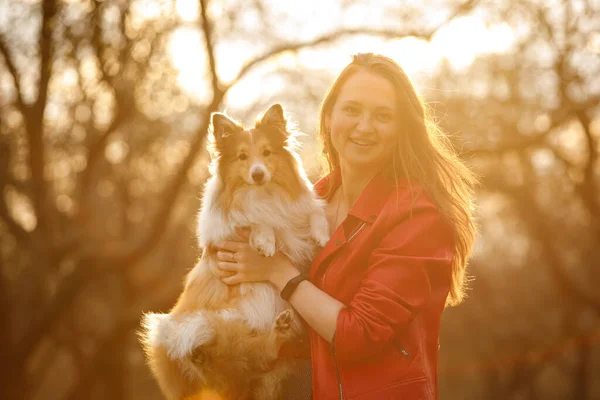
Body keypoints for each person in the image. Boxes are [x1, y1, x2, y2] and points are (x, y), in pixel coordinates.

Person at [214, 53, 477, 400]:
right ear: (328, 117)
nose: (364, 127)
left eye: (382, 116)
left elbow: (360, 335)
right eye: (352, 110)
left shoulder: (417, 217)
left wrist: (278, 272)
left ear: (402, 129)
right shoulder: (311, 199)